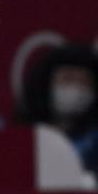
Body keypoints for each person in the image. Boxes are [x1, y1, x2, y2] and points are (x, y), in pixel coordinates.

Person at [21, 44, 98, 175]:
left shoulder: (94, 139)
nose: (76, 89)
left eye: (84, 82)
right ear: (47, 84)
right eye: (67, 79)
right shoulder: (26, 134)